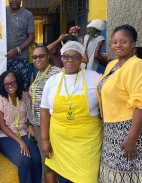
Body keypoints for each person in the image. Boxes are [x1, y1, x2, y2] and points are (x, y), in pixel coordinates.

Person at [40, 41, 103, 183]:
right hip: (60, 143)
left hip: (88, 144)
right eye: (66, 56)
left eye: (75, 57)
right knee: (64, 179)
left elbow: (106, 105)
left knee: (88, 178)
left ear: (82, 59)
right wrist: (44, 140)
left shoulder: (94, 78)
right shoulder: (52, 81)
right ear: (61, 58)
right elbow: (44, 111)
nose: (70, 60)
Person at [97, 24, 142, 182]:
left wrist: (132, 139)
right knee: (112, 176)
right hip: (111, 131)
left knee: (129, 176)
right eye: (114, 42)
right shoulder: (113, 65)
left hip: (130, 131)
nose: (117, 45)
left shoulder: (139, 66)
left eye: (123, 41)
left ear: (133, 44)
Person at [0, 71, 41, 183]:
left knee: (36, 159)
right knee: (24, 161)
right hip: (6, 136)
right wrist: (21, 142)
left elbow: (27, 119)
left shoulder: (24, 97)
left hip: (24, 132)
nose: (10, 86)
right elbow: (2, 126)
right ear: (2, 85)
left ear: (18, 82)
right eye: (6, 84)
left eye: (12, 83)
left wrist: (30, 126)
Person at [28, 45, 61, 183]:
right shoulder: (38, 74)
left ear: (49, 56)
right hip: (38, 125)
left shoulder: (57, 73)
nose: (37, 59)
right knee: (47, 162)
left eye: (41, 56)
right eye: (34, 57)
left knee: (49, 163)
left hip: (50, 124)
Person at [6, 0, 35, 89]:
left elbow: (31, 38)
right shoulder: (1, 11)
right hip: (2, 58)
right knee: (3, 87)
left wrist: (17, 50)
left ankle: (20, 105)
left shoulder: (28, 15)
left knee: (20, 87)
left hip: (21, 58)